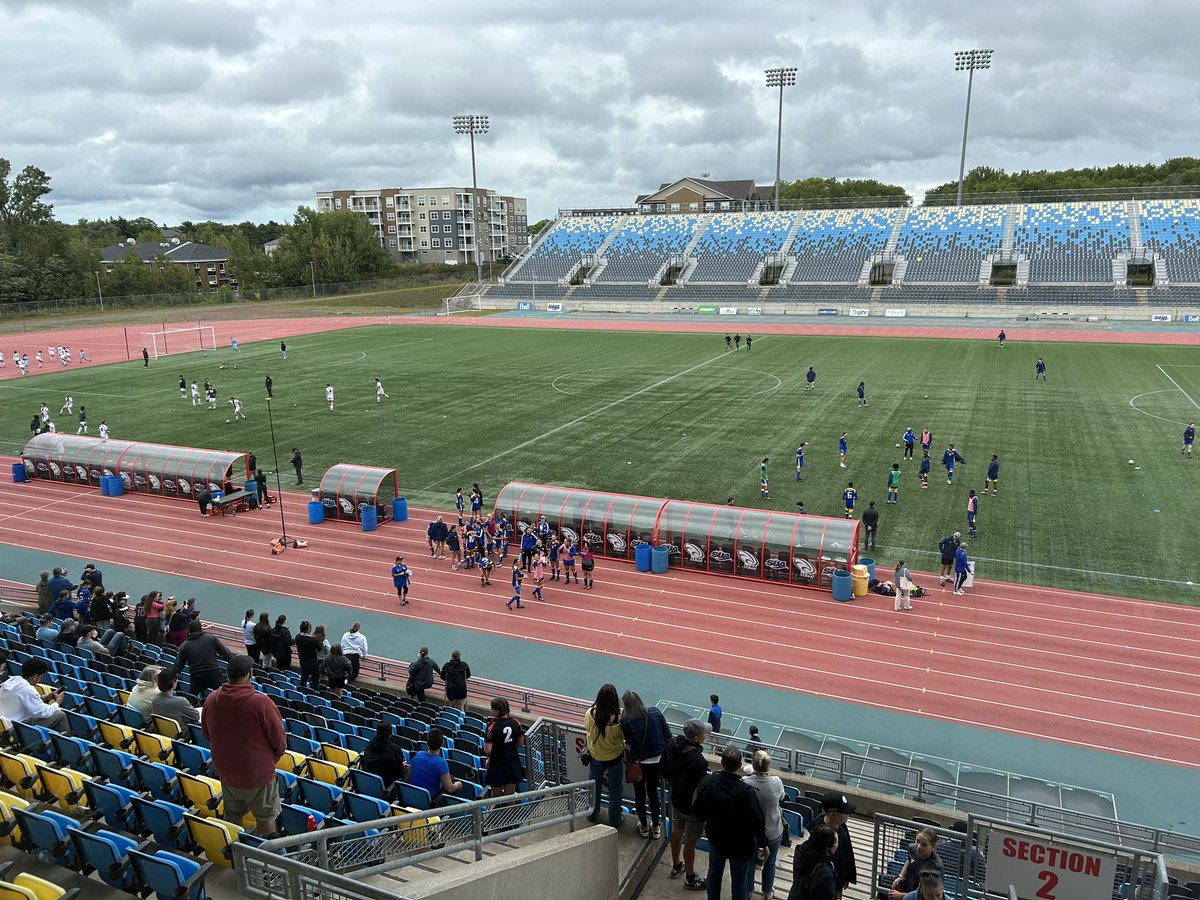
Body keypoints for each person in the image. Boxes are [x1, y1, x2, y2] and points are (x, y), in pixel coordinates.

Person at [202, 655, 286, 837]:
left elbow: (207, 734)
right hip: (258, 774)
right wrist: (272, 759)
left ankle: (235, 856)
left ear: (227, 674)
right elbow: (279, 741)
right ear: (250, 675)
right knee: (266, 818)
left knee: (232, 817)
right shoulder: (261, 703)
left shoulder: (211, 699)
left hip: (227, 772)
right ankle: (266, 859)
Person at [692, 746, 766, 900]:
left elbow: (697, 809)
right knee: (739, 882)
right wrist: (763, 844)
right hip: (741, 845)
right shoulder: (746, 791)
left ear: (721, 761)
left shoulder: (708, 782)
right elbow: (757, 820)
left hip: (716, 839)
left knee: (714, 874)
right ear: (739, 766)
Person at [663, 717, 710, 890]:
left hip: (676, 799)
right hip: (691, 807)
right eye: (704, 733)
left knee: (677, 830)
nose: (706, 735)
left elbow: (664, 768)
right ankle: (690, 878)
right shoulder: (698, 762)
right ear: (696, 738)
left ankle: (676, 865)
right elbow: (701, 789)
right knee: (691, 841)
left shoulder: (672, 745)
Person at [621, 689, 671, 840]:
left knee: (640, 795)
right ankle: (655, 828)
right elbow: (668, 735)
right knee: (653, 794)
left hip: (639, 764)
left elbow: (627, 740)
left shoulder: (626, 721)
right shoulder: (654, 712)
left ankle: (643, 826)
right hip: (657, 762)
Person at [584, 683, 625, 827]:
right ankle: (615, 820)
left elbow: (588, 728)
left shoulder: (590, 713)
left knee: (594, 788)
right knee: (615, 790)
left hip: (596, 757)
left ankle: (592, 815)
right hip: (615, 758)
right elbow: (621, 736)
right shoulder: (618, 720)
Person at [747, 749, 786, 900]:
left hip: (751, 832)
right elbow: (781, 797)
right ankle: (768, 890)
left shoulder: (745, 781)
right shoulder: (776, 781)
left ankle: (748, 889)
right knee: (769, 862)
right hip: (773, 830)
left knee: (750, 862)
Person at [807, 793, 857, 898]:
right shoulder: (818, 834)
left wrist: (847, 876)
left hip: (837, 880)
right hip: (824, 885)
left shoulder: (842, 826)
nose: (848, 815)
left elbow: (847, 851)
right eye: (844, 812)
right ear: (832, 814)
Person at [0, 658, 67, 732]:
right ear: (35, 676)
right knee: (60, 715)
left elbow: (28, 701)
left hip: (5, 723)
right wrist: (57, 702)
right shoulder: (27, 689)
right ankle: (66, 742)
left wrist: (46, 698)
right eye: (40, 677)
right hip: (14, 730)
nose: (40, 681)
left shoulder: (13, 680)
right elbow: (44, 712)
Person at [175, 620, 232, 697]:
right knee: (225, 694)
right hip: (214, 675)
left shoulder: (184, 645)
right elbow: (226, 654)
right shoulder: (211, 638)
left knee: (192, 697)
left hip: (196, 677)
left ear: (190, 630)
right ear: (201, 628)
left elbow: (178, 667)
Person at [483, 696, 524, 797]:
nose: (490, 711)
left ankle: (494, 813)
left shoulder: (491, 727)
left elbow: (488, 750)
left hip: (497, 764)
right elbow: (520, 742)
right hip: (512, 763)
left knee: (495, 797)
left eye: (492, 709)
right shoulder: (516, 723)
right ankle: (509, 813)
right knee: (510, 795)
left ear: (497, 711)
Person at [408, 729, 462, 805]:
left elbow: (409, 775)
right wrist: (457, 785)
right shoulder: (441, 763)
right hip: (428, 801)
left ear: (427, 742)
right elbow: (450, 789)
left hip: (412, 795)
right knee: (452, 780)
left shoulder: (418, 755)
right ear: (442, 743)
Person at [787, 824, 840, 900]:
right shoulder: (826, 875)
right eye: (836, 843)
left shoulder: (802, 854)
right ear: (827, 847)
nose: (838, 845)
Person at [889, 827, 943, 900]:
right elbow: (909, 860)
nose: (919, 846)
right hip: (908, 885)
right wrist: (901, 876)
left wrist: (901, 896)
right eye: (917, 841)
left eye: (924, 845)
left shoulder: (936, 866)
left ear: (933, 847)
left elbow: (927, 892)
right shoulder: (912, 848)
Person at [361, 721, 410, 787]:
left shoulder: (369, 745)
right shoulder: (395, 749)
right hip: (387, 786)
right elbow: (400, 772)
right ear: (390, 734)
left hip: (370, 782)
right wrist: (403, 766)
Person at [295, 621, 322, 691]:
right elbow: (319, 648)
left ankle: (301, 691)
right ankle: (315, 694)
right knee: (315, 680)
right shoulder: (312, 640)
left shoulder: (297, 637)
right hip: (312, 662)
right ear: (308, 629)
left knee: (304, 678)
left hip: (303, 661)